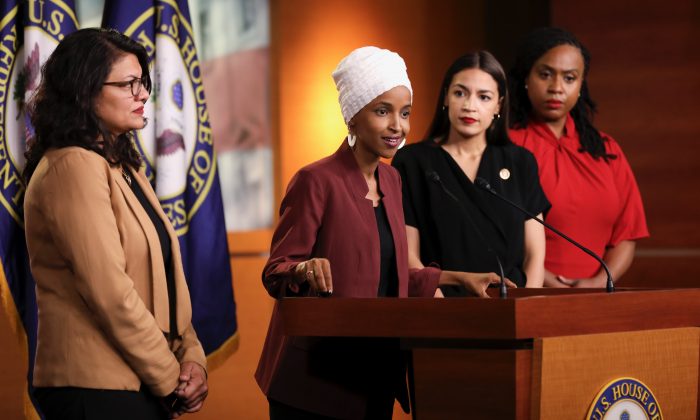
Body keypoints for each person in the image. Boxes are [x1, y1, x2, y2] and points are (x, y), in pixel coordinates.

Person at [255, 46, 514, 420]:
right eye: (382, 111)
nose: (398, 126)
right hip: (314, 382)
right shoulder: (315, 180)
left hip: (375, 375)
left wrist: (461, 279)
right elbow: (276, 270)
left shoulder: (392, 179)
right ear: (353, 117)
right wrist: (301, 269)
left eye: (405, 113)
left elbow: (389, 277)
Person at [23, 28, 208, 419]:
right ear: (83, 90)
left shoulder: (122, 167)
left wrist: (192, 358)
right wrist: (170, 376)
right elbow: (110, 292)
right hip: (93, 387)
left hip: (138, 381)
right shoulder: (72, 166)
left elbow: (162, 278)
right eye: (129, 84)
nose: (143, 95)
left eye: (144, 83)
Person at [392, 51, 549, 293]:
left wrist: (528, 303)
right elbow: (408, 255)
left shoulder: (520, 162)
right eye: (459, 93)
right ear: (445, 97)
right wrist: (435, 298)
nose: (469, 106)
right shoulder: (412, 162)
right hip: (441, 306)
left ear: (499, 104)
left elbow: (535, 255)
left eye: (484, 97)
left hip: (510, 306)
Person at [508, 27, 649, 288]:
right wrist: (549, 283)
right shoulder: (506, 147)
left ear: (581, 85)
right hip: (529, 294)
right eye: (545, 74)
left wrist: (599, 282)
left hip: (598, 299)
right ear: (526, 78)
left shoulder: (606, 149)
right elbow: (496, 236)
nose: (557, 88)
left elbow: (627, 235)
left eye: (570, 78)